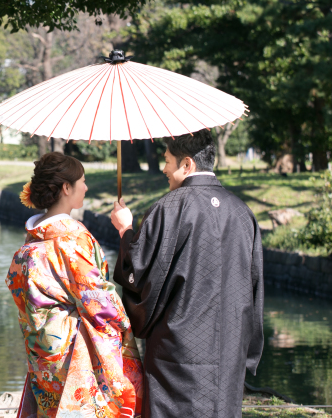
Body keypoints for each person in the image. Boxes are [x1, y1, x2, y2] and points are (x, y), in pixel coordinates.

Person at [110, 129, 264, 418]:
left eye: (168, 161)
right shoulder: (243, 212)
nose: (165, 169)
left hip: (178, 352)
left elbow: (139, 275)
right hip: (229, 348)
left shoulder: (168, 209)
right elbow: (255, 287)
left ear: (187, 164)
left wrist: (125, 230)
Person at [6, 152, 144, 418]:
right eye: (82, 180)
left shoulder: (32, 237)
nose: (86, 187)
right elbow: (95, 299)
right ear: (66, 188)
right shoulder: (72, 238)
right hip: (72, 349)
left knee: (52, 407)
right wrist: (127, 320)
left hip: (41, 345)